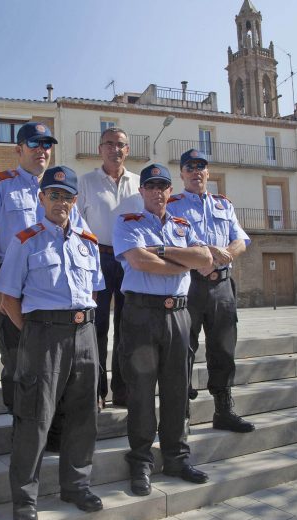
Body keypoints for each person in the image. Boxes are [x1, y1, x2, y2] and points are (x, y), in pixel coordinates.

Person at [0, 166, 104, 520]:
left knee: (83, 415)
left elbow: (93, 293)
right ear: (41, 199)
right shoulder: (25, 240)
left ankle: (76, 485)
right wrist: (35, 332)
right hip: (43, 336)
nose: (61, 202)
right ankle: (25, 498)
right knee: (34, 419)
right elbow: (6, 297)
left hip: (84, 335)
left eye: (67, 196)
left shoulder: (88, 241)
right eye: (53, 195)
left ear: (75, 201)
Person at [113, 163, 213, 496]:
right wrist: (180, 261)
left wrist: (160, 252)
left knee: (177, 389)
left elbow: (205, 259)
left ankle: (176, 457)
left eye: (163, 186)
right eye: (151, 186)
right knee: (140, 392)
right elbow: (139, 262)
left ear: (171, 191)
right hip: (141, 314)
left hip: (179, 316)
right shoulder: (126, 222)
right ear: (141, 191)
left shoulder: (184, 224)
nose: (157, 192)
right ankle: (141, 462)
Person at [0, 121, 76, 449]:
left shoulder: (60, 190)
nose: (41, 150)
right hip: (14, 292)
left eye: (46, 144)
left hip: (51, 294)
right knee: (18, 364)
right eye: (34, 143)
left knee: (53, 365)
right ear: (19, 149)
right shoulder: (0, 184)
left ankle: (55, 433)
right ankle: (22, 428)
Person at [166, 149, 255, 433]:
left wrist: (227, 253)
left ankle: (224, 410)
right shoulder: (173, 204)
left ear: (207, 172)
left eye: (200, 167)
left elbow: (240, 238)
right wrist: (203, 256)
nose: (195, 172)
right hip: (188, 284)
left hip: (222, 286)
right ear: (181, 174)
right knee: (182, 348)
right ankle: (181, 413)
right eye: (189, 167)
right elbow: (169, 243)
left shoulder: (223, 204)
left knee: (223, 347)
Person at [77, 127, 142, 408]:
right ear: (100, 149)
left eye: (121, 145)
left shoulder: (140, 184)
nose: (115, 149)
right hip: (97, 258)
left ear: (127, 150)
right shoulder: (86, 182)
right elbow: (77, 226)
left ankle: (123, 389)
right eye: (109, 144)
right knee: (97, 327)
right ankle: (96, 391)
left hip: (131, 260)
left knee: (127, 326)